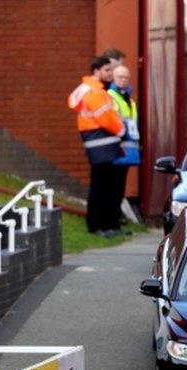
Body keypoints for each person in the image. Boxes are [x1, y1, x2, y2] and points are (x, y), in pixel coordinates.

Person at [68, 56, 126, 237]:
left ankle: (100, 225)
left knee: (100, 185)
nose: (110, 74)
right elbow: (106, 118)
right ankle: (98, 225)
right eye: (107, 70)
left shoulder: (91, 90)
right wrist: (121, 130)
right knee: (102, 186)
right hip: (102, 142)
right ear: (96, 71)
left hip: (96, 143)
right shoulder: (96, 92)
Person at [108, 64, 142, 221]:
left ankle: (116, 220)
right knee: (113, 187)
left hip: (128, 149)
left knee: (120, 186)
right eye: (120, 77)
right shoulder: (111, 96)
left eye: (126, 77)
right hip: (116, 148)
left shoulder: (128, 98)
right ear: (113, 78)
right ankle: (113, 220)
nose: (123, 80)